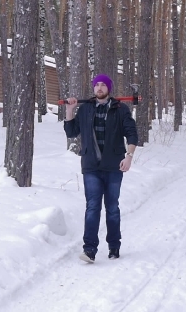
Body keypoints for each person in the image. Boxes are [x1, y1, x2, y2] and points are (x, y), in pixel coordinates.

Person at [63, 73, 138, 263]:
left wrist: (129, 157)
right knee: (92, 207)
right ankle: (89, 250)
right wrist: (70, 110)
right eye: (97, 85)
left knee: (112, 207)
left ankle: (114, 246)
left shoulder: (120, 109)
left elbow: (132, 134)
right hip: (91, 166)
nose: (99, 88)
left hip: (114, 166)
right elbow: (71, 132)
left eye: (104, 85)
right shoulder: (86, 109)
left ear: (109, 89)